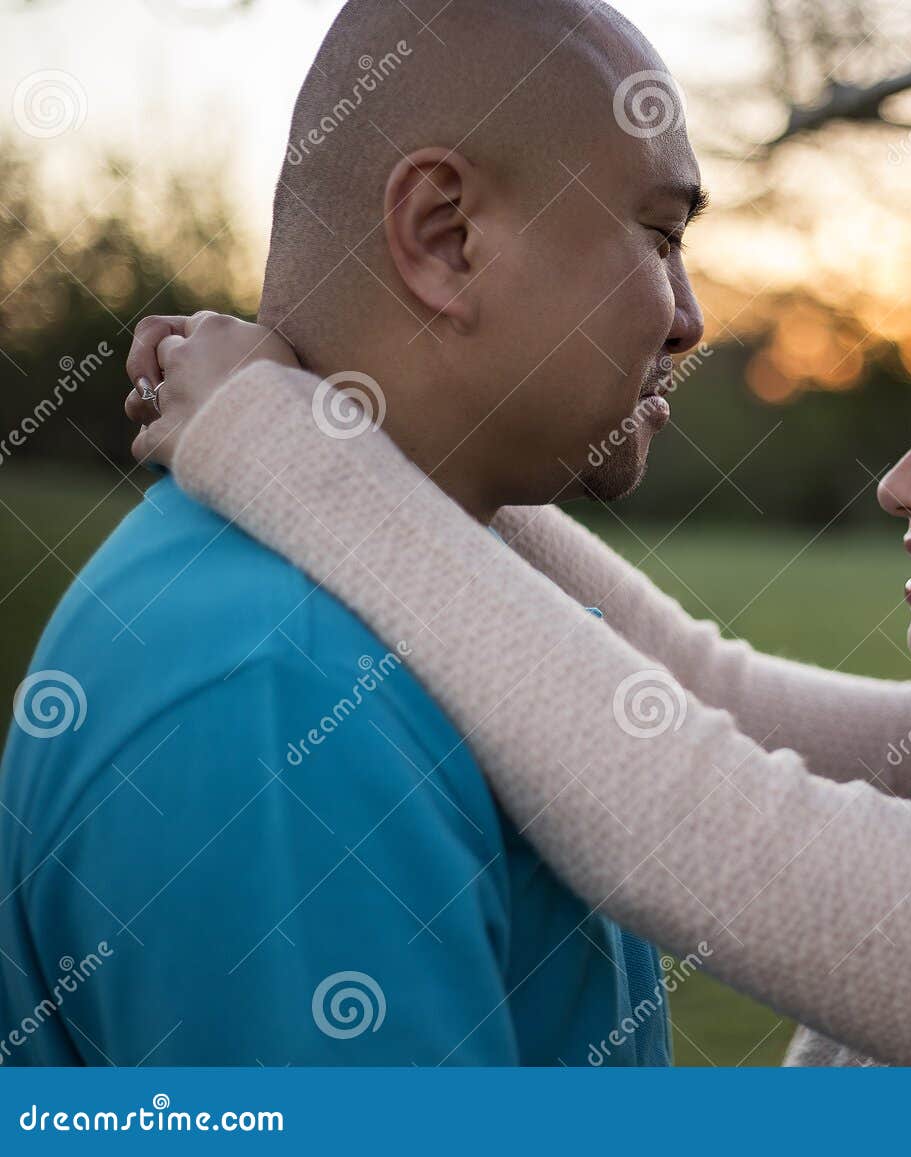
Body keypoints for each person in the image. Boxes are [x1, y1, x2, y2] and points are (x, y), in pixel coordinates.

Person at [115, 227, 911, 1066]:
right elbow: (688, 681)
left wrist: (287, 451)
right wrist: (366, 409)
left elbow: (692, 823)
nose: (900, 483)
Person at [0, 0, 739, 1065]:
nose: (686, 316)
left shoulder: (391, 602)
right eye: (661, 234)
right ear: (446, 237)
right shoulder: (278, 688)